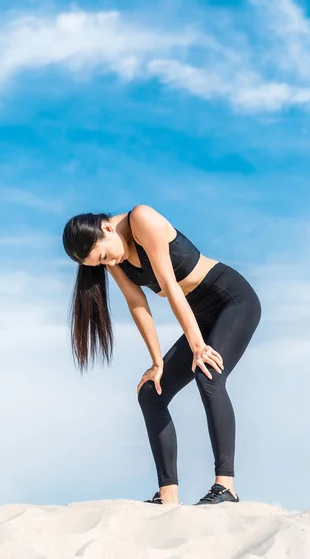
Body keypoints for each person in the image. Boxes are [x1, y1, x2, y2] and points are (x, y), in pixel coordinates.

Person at [62, 204, 262, 505]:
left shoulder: (142, 219)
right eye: (100, 264)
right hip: (200, 317)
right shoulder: (114, 254)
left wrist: (198, 346)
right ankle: (168, 494)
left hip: (232, 301)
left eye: (104, 256)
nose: (109, 262)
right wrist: (157, 363)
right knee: (151, 392)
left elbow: (169, 284)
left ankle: (225, 487)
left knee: (207, 373)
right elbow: (136, 301)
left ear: (106, 229)